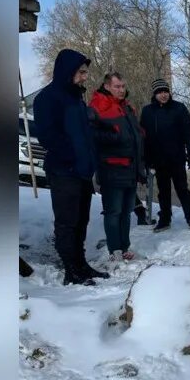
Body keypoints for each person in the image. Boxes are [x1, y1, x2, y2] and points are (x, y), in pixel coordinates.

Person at [31, 48, 109, 285]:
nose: (85, 77)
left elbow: (83, 133)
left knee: (81, 220)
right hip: (64, 171)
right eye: (81, 72)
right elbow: (47, 136)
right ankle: (71, 271)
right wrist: (73, 157)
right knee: (67, 222)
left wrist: (90, 158)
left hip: (82, 172)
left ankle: (80, 264)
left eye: (85, 72)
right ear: (68, 71)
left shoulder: (76, 97)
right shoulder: (48, 98)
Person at [88, 72, 145, 261]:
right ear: (107, 86)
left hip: (130, 168)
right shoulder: (97, 106)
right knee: (113, 211)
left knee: (127, 211)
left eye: (122, 86)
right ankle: (115, 250)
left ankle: (125, 247)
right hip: (111, 168)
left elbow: (135, 135)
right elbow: (91, 136)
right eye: (117, 86)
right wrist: (116, 137)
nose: (121, 90)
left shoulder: (127, 107)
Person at [139, 78, 190, 232]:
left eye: (165, 91)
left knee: (182, 189)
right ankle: (165, 219)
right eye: (160, 92)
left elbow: (188, 132)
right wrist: (146, 158)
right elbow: (143, 136)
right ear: (155, 94)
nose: (163, 95)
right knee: (163, 191)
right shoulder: (147, 111)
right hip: (158, 160)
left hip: (176, 158)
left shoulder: (178, 108)